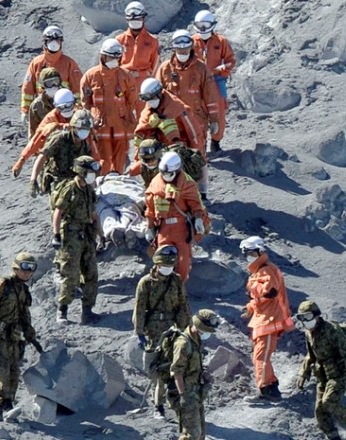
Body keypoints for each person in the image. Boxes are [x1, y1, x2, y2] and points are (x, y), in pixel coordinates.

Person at [0, 252, 43, 422]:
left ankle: (8, 406)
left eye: (31, 268)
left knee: (14, 372)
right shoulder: (2, 284)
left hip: (13, 338)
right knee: (1, 371)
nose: (28, 272)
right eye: (25, 267)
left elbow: (24, 314)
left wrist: (30, 334)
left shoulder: (23, 289)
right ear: (16, 267)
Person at [132, 244, 191, 419]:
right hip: (154, 332)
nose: (168, 269)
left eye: (170, 266)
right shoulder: (146, 283)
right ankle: (158, 406)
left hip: (173, 330)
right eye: (165, 266)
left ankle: (177, 403)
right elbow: (139, 309)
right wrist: (140, 333)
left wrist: (185, 329)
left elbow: (183, 306)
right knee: (158, 372)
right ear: (157, 264)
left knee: (178, 367)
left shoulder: (176, 280)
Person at [239, 236, 294, 403]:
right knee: (260, 356)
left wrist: (253, 292)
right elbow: (261, 298)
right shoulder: (260, 271)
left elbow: (270, 292)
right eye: (246, 253)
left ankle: (265, 390)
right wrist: (249, 307)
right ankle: (270, 387)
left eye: (251, 252)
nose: (248, 256)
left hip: (269, 320)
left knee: (261, 357)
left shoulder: (266, 270)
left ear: (260, 251)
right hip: (263, 319)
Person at [51, 155, 106, 325]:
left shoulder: (89, 190)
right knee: (71, 275)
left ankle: (87, 311)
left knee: (91, 274)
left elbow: (94, 214)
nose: (93, 175)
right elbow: (58, 212)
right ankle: (62, 311)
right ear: (81, 172)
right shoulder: (70, 189)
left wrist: (101, 235)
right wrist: (56, 235)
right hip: (71, 236)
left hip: (87, 234)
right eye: (90, 172)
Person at [296, 301, 346, 440]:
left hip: (339, 374)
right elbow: (311, 355)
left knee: (329, 403)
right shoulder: (309, 334)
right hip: (323, 375)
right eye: (301, 317)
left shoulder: (331, 329)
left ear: (316, 315)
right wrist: (304, 373)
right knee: (320, 413)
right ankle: (333, 436)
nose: (305, 321)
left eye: (307, 316)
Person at [144, 151, 209, 282]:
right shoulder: (155, 184)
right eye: (163, 173)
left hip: (181, 227)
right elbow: (150, 208)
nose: (165, 176)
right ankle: (161, 285)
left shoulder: (187, 183)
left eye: (169, 173)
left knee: (183, 261)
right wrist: (150, 227)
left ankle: (179, 287)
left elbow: (195, 204)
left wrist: (198, 220)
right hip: (163, 227)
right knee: (162, 259)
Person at [156, 29, 219, 154]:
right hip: (173, 123)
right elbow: (156, 97)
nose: (183, 52)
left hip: (197, 120)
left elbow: (210, 96)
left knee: (196, 158)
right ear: (174, 48)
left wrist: (214, 120)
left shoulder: (201, 69)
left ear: (191, 47)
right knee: (174, 158)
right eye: (180, 49)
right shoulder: (165, 69)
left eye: (186, 49)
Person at [80, 38, 138, 175]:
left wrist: (126, 118)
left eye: (116, 57)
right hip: (100, 126)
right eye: (111, 57)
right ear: (103, 56)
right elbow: (85, 102)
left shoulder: (126, 76)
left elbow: (132, 100)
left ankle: (118, 179)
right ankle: (101, 183)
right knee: (101, 159)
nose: (114, 60)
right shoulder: (90, 76)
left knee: (121, 159)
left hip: (121, 124)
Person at [168, 309, 220, 440]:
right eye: (206, 330)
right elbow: (177, 372)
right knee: (191, 435)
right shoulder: (183, 344)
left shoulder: (196, 339)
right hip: (186, 392)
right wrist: (182, 396)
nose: (208, 334)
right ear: (198, 327)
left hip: (196, 390)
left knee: (200, 433)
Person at [191, 10, 236, 154]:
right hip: (198, 82)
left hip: (216, 80)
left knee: (220, 110)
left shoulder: (221, 41)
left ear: (212, 25)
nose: (203, 28)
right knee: (197, 111)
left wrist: (223, 69)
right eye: (200, 25)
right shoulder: (191, 42)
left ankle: (216, 141)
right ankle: (200, 143)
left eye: (206, 25)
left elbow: (231, 60)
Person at [20, 25, 82, 125]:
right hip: (41, 110)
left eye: (57, 40)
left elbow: (78, 89)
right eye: (50, 40)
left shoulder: (69, 64)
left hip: (64, 110)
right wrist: (25, 110)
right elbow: (28, 89)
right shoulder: (36, 63)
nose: (54, 44)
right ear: (45, 42)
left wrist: (78, 109)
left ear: (61, 42)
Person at [28, 109, 96, 199]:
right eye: (81, 129)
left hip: (74, 182)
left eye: (87, 129)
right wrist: (33, 179)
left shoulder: (85, 145)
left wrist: (92, 191)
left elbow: (89, 169)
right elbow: (42, 157)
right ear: (74, 126)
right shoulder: (59, 139)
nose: (84, 132)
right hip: (57, 181)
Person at [11, 88, 78, 179]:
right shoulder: (50, 119)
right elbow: (37, 139)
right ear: (56, 106)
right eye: (62, 107)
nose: (66, 109)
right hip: (58, 155)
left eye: (69, 105)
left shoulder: (80, 114)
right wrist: (22, 159)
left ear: (74, 103)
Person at [134, 78, 204, 152]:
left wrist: (198, 156)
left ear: (159, 94)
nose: (150, 102)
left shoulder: (178, 108)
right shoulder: (148, 111)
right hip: (158, 151)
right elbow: (140, 134)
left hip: (178, 150)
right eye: (147, 100)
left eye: (152, 98)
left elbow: (194, 134)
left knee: (167, 124)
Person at [116, 1, 160, 117]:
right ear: (127, 19)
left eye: (138, 18)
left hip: (143, 81)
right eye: (132, 18)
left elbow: (155, 65)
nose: (135, 21)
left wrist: (151, 84)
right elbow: (115, 64)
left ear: (144, 18)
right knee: (123, 112)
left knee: (144, 114)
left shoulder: (152, 41)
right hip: (124, 80)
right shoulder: (119, 40)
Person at [27, 67, 62, 139]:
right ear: (43, 85)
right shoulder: (36, 105)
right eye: (49, 83)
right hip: (46, 144)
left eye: (56, 81)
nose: (53, 86)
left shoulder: (67, 98)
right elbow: (33, 131)